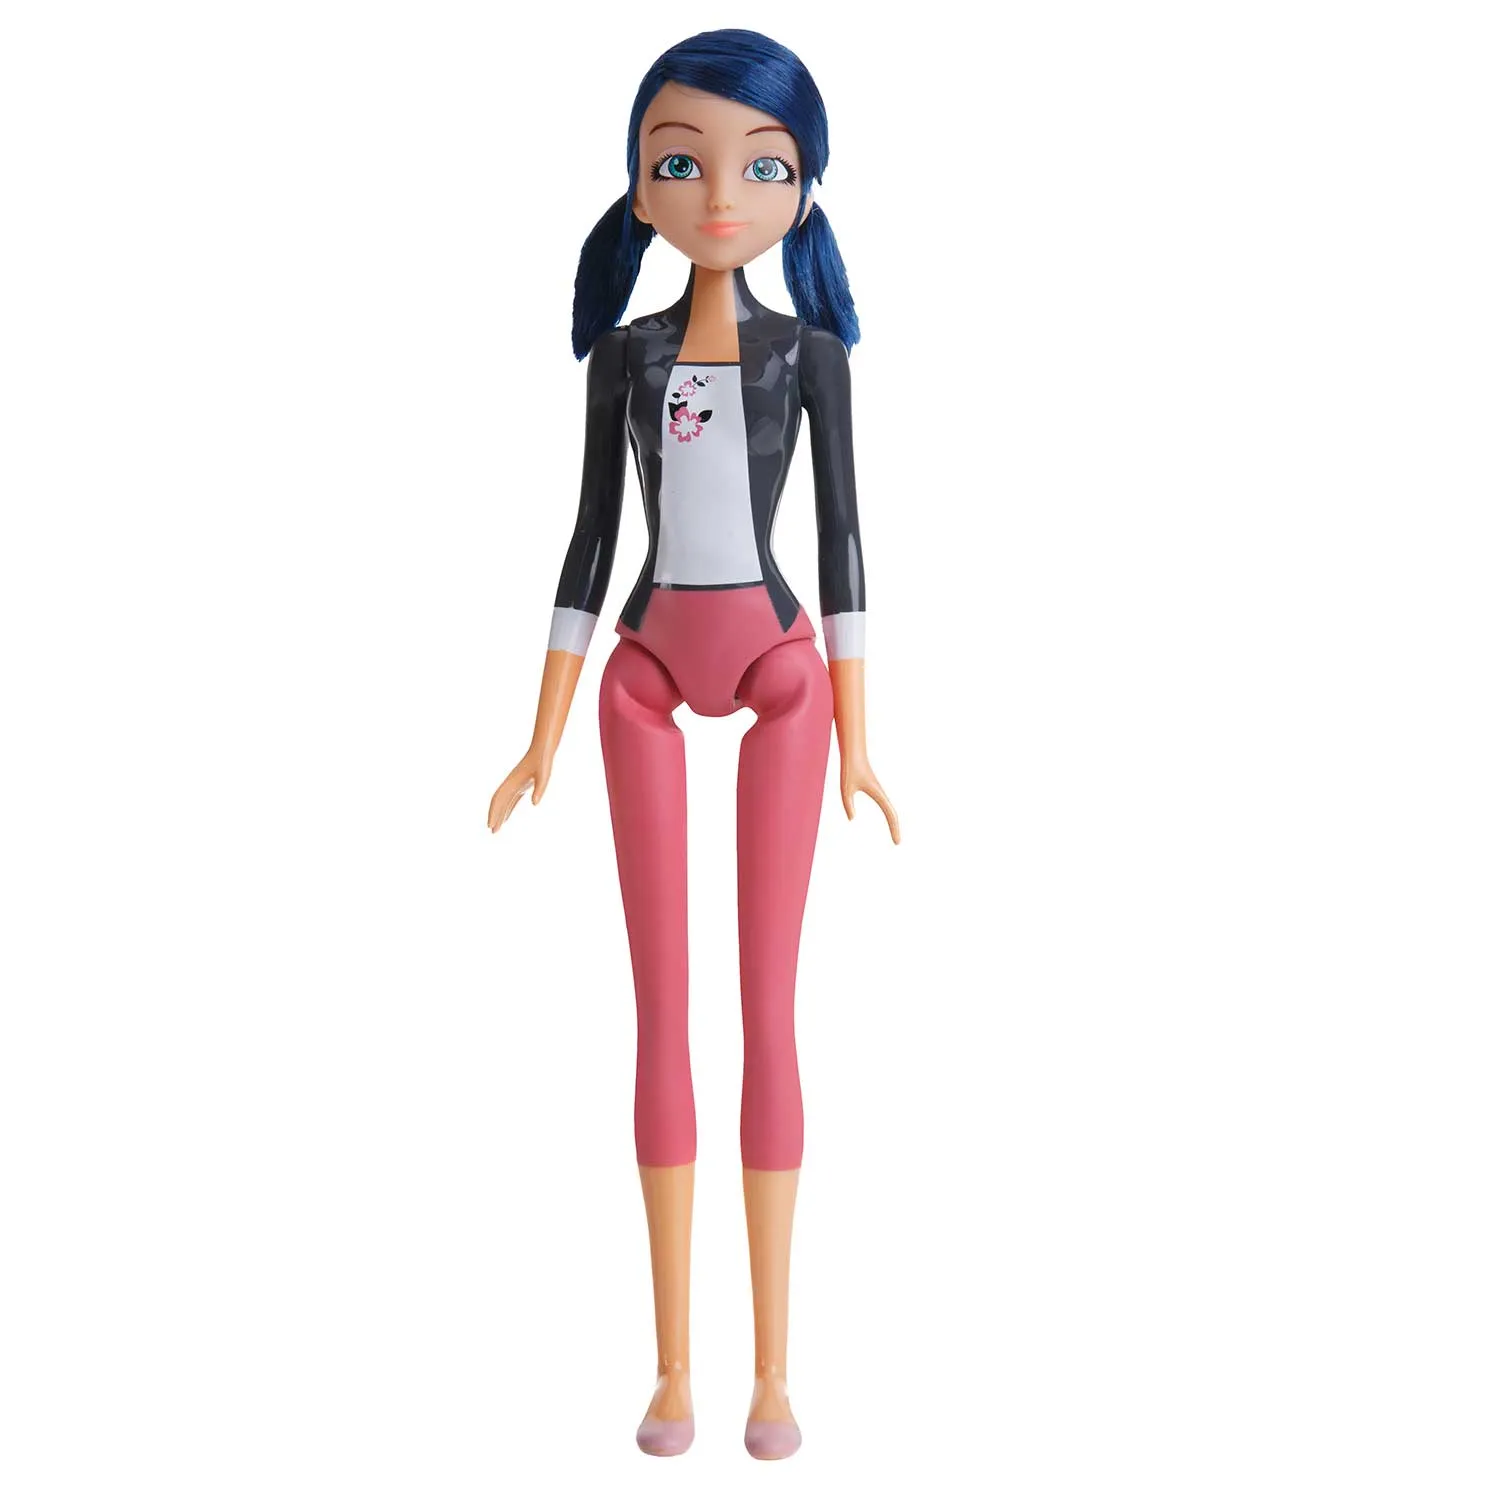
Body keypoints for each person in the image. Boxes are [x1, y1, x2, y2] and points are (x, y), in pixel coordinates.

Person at [486, 28, 899, 1460]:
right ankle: (673, 1370)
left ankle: (773, 1372)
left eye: (761, 167)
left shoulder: (809, 356)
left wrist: (858, 735)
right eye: (682, 163)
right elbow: (591, 543)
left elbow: (843, 546)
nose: (721, 194)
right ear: (640, 186)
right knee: (660, 1013)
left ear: (803, 187)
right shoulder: (627, 355)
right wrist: (542, 729)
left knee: (766, 1013)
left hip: (782, 671)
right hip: (644, 672)